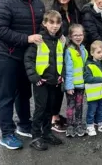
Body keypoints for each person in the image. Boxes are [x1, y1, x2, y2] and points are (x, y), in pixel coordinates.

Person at [0, 0, 45, 149]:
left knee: (24, 93)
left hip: (27, 58)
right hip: (9, 55)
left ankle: (24, 124)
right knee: (6, 95)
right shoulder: (5, 3)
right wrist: (26, 39)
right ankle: (7, 133)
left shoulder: (38, 3)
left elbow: (42, 27)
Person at [24, 10, 64, 151]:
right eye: (51, 23)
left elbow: (62, 59)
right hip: (41, 82)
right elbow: (28, 60)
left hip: (54, 81)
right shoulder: (38, 40)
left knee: (50, 108)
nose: (54, 26)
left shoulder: (60, 40)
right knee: (40, 109)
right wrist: (35, 78)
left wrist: (61, 74)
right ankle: (36, 136)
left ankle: (46, 133)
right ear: (44, 23)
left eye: (57, 23)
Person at [50, 0, 82, 133]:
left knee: (69, 86)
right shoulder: (53, 13)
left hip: (72, 54)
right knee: (57, 87)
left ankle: (65, 116)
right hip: (58, 54)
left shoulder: (75, 12)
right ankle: (54, 117)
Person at [64, 24, 88, 138]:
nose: (78, 37)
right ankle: (70, 125)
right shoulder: (69, 51)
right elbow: (68, 70)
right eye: (75, 35)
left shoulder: (84, 49)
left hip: (82, 85)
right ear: (70, 36)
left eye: (80, 34)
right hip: (72, 86)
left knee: (79, 105)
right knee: (71, 106)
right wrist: (69, 86)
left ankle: (78, 123)